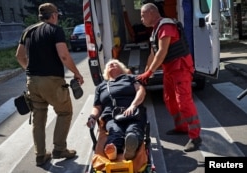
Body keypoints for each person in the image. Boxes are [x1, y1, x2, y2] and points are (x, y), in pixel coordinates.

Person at [15, 2, 84, 166]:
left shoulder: (28, 31)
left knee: (38, 118)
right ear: (53, 15)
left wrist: (30, 71)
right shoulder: (55, 31)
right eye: (57, 16)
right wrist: (77, 73)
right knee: (64, 112)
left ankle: (40, 155)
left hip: (32, 81)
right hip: (52, 81)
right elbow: (64, 56)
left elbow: (19, 56)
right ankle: (59, 149)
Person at [137, 3, 202, 152]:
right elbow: (153, 54)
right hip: (170, 70)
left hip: (180, 68)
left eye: (142, 15)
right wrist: (146, 73)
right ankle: (181, 127)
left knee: (184, 101)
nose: (141, 18)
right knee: (169, 99)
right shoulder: (156, 30)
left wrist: (149, 73)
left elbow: (162, 52)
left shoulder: (166, 26)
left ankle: (195, 137)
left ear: (152, 13)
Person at [86, 59, 147, 160]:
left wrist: (133, 105)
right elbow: (97, 106)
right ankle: (113, 149)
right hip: (111, 116)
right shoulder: (101, 86)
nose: (112, 64)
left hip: (132, 113)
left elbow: (141, 91)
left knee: (133, 129)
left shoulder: (130, 78)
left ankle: (130, 147)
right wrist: (92, 117)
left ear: (122, 68)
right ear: (106, 71)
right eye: (109, 64)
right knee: (115, 131)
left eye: (115, 64)